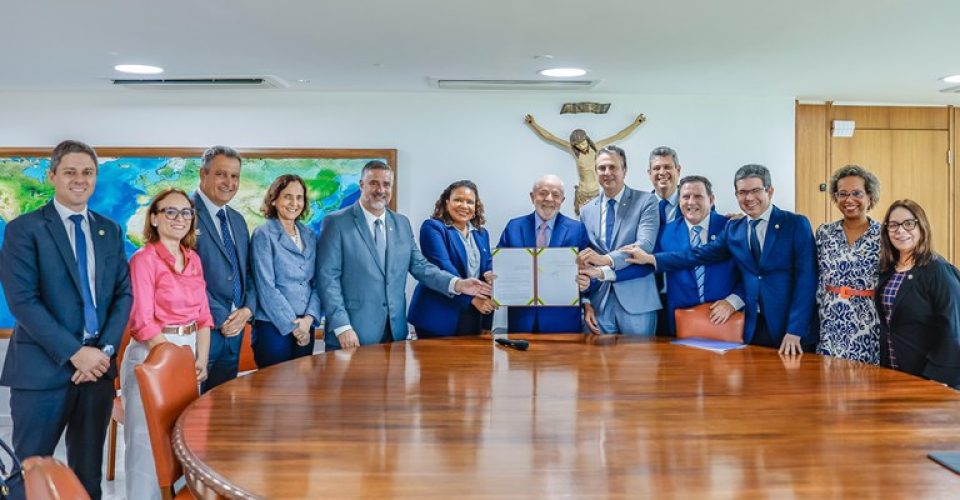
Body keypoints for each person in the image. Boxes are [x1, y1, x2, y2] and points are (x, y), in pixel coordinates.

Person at [0, 140, 132, 500]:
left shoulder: (109, 230)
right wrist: (76, 353)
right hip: (42, 372)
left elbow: (123, 296)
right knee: (28, 476)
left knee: (87, 479)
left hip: (96, 374)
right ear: (53, 175)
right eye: (70, 171)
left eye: (87, 172)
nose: (80, 179)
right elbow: (24, 303)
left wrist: (101, 352)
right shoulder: (24, 230)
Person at [623, 164, 817, 355]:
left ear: (770, 191)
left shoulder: (795, 224)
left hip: (790, 331)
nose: (749, 198)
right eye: (742, 192)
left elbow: (806, 281)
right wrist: (652, 259)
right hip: (751, 327)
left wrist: (795, 330)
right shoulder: (735, 229)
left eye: (755, 190)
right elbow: (698, 254)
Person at [317, 161, 491, 349]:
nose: (380, 190)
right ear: (362, 185)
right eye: (374, 183)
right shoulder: (336, 222)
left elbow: (421, 267)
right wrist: (342, 327)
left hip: (395, 331)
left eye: (386, 184)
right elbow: (327, 279)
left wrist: (458, 284)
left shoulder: (401, 223)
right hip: (353, 332)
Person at [122, 188, 213, 500]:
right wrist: (173, 360)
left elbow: (204, 317)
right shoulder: (143, 260)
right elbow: (142, 321)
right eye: (170, 212)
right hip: (154, 353)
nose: (179, 218)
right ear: (155, 217)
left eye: (186, 212)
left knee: (182, 437)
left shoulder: (194, 259)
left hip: (188, 353)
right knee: (148, 440)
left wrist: (201, 359)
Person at [577, 145, 661, 335]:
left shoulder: (646, 201)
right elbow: (583, 259)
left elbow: (645, 245)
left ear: (624, 170)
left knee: (638, 363)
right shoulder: (586, 211)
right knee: (594, 363)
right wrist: (586, 301)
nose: (607, 173)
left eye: (613, 167)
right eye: (602, 168)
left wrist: (606, 260)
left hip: (637, 302)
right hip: (598, 305)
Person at [192, 145, 257, 392]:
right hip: (202, 330)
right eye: (221, 174)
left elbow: (249, 273)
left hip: (235, 331)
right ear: (203, 174)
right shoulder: (184, 214)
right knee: (189, 413)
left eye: (234, 176)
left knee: (221, 410)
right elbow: (182, 278)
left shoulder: (238, 220)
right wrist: (221, 317)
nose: (229, 182)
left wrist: (246, 310)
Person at [876, 199, 960, 388]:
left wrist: (940, 376)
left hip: (929, 376)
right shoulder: (887, 270)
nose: (900, 230)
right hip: (891, 371)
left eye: (908, 223)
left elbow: (954, 328)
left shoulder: (938, 270)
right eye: (893, 225)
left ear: (921, 227)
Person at [497, 174, 591, 333]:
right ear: (532, 197)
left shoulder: (577, 229)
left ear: (562, 200)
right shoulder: (514, 226)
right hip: (521, 320)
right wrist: (492, 274)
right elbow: (496, 263)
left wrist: (587, 282)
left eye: (556, 195)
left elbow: (590, 270)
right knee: (519, 359)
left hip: (563, 321)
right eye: (543, 193)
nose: (549, 199)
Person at [653, 176, 744, 334]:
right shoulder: (664, 233)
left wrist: (732, 302)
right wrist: (605, 270)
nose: (691, 202)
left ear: (711, 199)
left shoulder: (732, 228)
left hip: (729, 320)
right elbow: (649, 267)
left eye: (698, 196)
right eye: (686, 197)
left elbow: (750, 274)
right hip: (679, 323)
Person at [408, 180, 496, 337]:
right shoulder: (433, 227)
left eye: (470, 202)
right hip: (438, 315)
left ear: (476, 207)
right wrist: (472, 299)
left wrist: (490, 272)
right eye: (458, 200)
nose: (464, 205)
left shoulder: (482, 234)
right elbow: (443, 266)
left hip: (474, 313)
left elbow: (486, 267)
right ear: (446, 202)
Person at [251, 174, 322, 367]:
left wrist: (308, 320)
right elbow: (266, 287)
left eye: (299, 197)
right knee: (274, 390)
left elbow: (316, 283)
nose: (294, 203)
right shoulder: (263, 235)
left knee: (301, 390)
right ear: (274, 199)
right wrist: (293, 326)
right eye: (287, 196)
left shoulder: (309, 235)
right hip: (273, 326)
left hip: (306, 325)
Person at [816, 165, 882, 364]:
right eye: (842, 193)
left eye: (856, 193)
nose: (849, 199)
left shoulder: (884, 234)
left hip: (868, 324)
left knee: (866, 385)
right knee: (829, 385)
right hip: (829, 323)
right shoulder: (824, 232)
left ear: (869, 197)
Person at [524, 114, 645, 213]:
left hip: (596, 192)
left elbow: (618, 136)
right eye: (577, 145)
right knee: (582, 222)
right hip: (582, 193)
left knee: (598, 223)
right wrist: (533, 124)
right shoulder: (574, 151)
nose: (581, 146)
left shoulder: (597, 147)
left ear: (587, 139)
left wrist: (636, 123)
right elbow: (550, 137)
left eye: (582, 143)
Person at [647, 146, 683, 336]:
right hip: (647, 298)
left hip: (684, 295)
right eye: (657, 168)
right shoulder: (638, 206)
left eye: (668, 167)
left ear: (678, 170)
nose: (662, 173)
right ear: (649, 173)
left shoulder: (694, 203)